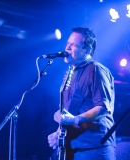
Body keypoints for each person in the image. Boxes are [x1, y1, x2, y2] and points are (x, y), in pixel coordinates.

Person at [47, 27, 116, 160]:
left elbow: (103, 108)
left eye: (73, 45)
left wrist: (75, 119)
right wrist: (58, 134)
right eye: (67, 44)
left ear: (87, 50)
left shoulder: (96, 69)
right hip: (73, 149)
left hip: (94, 150)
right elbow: (68, 112)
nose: (67, 48)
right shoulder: (69, 73)